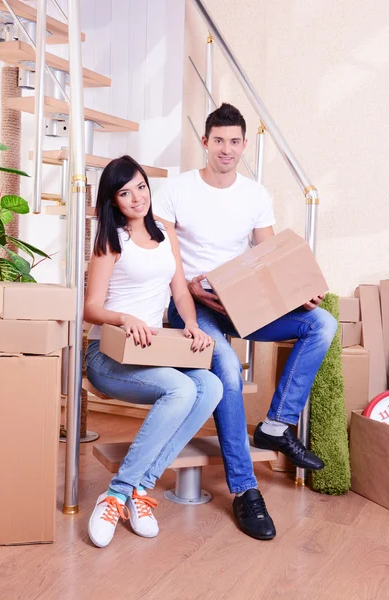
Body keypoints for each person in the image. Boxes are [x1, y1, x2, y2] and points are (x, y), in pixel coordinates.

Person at [152, 103, 337, 541]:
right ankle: (245, 490)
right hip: (192, 306)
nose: (227, 149)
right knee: (230, 372)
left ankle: (275, 426)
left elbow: (270, 262)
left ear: (244, 145)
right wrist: (192, 292)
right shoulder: (175, 191)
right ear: (205, 142)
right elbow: (166, 256)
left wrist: (299, 295)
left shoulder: (255, 194)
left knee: (322, 323)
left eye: (235, 141)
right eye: (219, 140)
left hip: (242, 307)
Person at [84, 155, 223, 548]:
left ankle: (139, 488)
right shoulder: (110, 241)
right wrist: (122, 317)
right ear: (113, 201)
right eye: (125, 193)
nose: (136, 198)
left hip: (152, 352)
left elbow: (180, 291)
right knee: (181, 390)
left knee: (210, 386)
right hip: (107, 354)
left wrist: (192, 325)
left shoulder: (165, 232)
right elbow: (89, 307)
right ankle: (116, 493)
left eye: (141, 187)